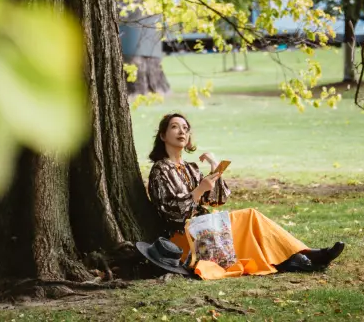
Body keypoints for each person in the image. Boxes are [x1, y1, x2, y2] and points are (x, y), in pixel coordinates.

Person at [146, 112, 345, 280]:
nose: (182, 131)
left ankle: (301, 256)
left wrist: (215, 168)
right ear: (163, 135)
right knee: (250, 216)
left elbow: (216, 199)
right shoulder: (160, 170)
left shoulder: (191, 168)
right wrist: (199, 190)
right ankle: (302, 257)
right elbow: (171, 213)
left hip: (206, 224)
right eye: (175, 127)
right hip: (186, 236)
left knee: (251, 220)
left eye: (185, 128)